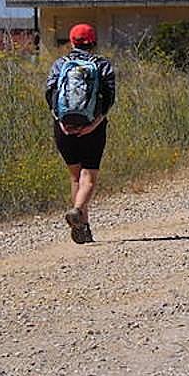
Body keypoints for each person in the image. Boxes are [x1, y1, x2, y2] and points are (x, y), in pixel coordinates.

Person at [46, 23, 116, 243]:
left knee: (75, 175)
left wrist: (60, 121)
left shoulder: (60, 64)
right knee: (89, 177)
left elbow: (50, 93)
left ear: (72, 41)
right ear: (93, 41)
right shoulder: (102, 64)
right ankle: (77, 211)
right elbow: (109, 97)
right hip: (92, 126)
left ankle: (82, 228)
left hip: (63, 127)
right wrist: (96, 123)